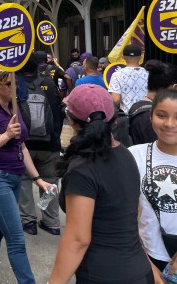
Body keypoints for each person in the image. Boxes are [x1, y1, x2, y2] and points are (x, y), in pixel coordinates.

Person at [47, 84, 152, 284]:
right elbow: (134, 215)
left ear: (70, 120)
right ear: (113, 119)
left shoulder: (82, 168)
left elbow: (78, 240)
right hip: (139, 270)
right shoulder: (125, 154)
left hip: (103, 275)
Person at [0, 69, 53, 284]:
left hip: (14, 177)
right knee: (17, 239)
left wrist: (37, 179)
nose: (14, 87)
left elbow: (22, 146)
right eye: (8, 84)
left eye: (15, 83)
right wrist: (6, 135)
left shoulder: (13, 110)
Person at [130, 89, 177, 280]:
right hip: (145, 256)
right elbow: (125, 214)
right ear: (150, 116)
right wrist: (144, 262)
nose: (169, 124)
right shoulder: (133, 156)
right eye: (161, 115)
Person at [18, 56, 65, 236]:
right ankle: (51, 222)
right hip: (50, 143)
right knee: (50, 181)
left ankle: (28, 221)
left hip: (25, 144)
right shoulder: (48, 83)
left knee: (24, 182)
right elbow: (58, 112)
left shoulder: (16, 84)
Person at [128, 60, 177, 145]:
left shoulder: (136, 106)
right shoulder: (150, 115)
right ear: (174, 87)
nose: (170, 124)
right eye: (162, 115)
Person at [108, 44, 148, 115]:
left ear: (123, 57)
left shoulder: (117, 75)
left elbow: (115, 100)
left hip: (129, 116)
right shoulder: (149, 73)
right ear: (140, 57)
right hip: (148, 114)